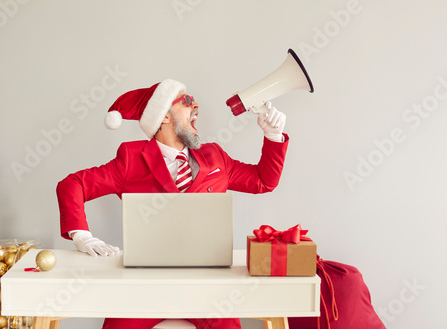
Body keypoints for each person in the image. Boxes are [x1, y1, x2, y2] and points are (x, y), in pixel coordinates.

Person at [56, 79, 289, 329]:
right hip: (145, 287)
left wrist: (272, 135)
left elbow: (263, 181)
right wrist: (81, 236)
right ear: (164, 116)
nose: (196, 105)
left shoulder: (215, 156)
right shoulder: (130, 158)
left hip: (207, 288)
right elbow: (72, 184)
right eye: (187, 101)